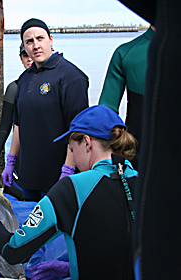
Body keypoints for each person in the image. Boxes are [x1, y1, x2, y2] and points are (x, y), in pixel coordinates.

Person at [0, 104, 138, 279]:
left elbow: (14, 251)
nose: (74, 158)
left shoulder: (72, 188)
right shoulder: (147, 184)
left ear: (87, 143)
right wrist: (70, 267)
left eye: (72, 150)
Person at [116, 1, 181, 279]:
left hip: (150, 170)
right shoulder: (130, 52)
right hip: (143, 162)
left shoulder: (130, 52)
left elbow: (106, 114)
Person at [2, 18, 89, 201]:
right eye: (29, 42)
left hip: (58, 175)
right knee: (33, 224)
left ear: (51, 39)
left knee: (58, 227)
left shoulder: (71, 76)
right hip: (29, 174)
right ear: (24, 47)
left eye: (40, 38)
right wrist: (11, 161)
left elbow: (78, 130)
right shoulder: (24, 78)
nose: (36, 45)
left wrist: (68, 169)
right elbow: (18, 125)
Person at [98, 25, 155, 168]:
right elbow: (106, 113)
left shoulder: (127, 53)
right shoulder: (125, 53)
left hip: (139, 158)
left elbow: (105, 116)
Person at [0, 45, 32, 184]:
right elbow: (4, 126)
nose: (29, 58)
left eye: (31, 54)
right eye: (25, 55)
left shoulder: (53, 85)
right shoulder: (14, 88)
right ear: (21, 58)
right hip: (23, 154)